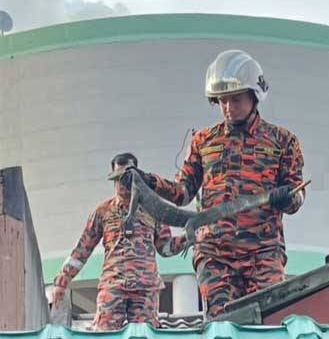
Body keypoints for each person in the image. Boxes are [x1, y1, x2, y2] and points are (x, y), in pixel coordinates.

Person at [138, 50, 306, 318]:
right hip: (215, 254)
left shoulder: (283, 142)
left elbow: (298, 195)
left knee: (271, 324)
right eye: (222, 101)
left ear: (254, 95)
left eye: (236, 100)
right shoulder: (204, 141)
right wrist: (150, 182)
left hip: (263, 253)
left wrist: (288, 198)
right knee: (222, 326)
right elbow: (183, 193)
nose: (228, 108)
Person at [51, 153, 187, 330]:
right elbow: (82, 249)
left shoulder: (153, 209)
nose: (123, 184)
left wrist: (188, 238)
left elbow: (166, 248)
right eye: (118, 179)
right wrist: (62, 281)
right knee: (105, 334)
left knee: (143, 334)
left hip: (145, 288)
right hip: (113, 286)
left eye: (127, 178)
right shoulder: (103, 211)